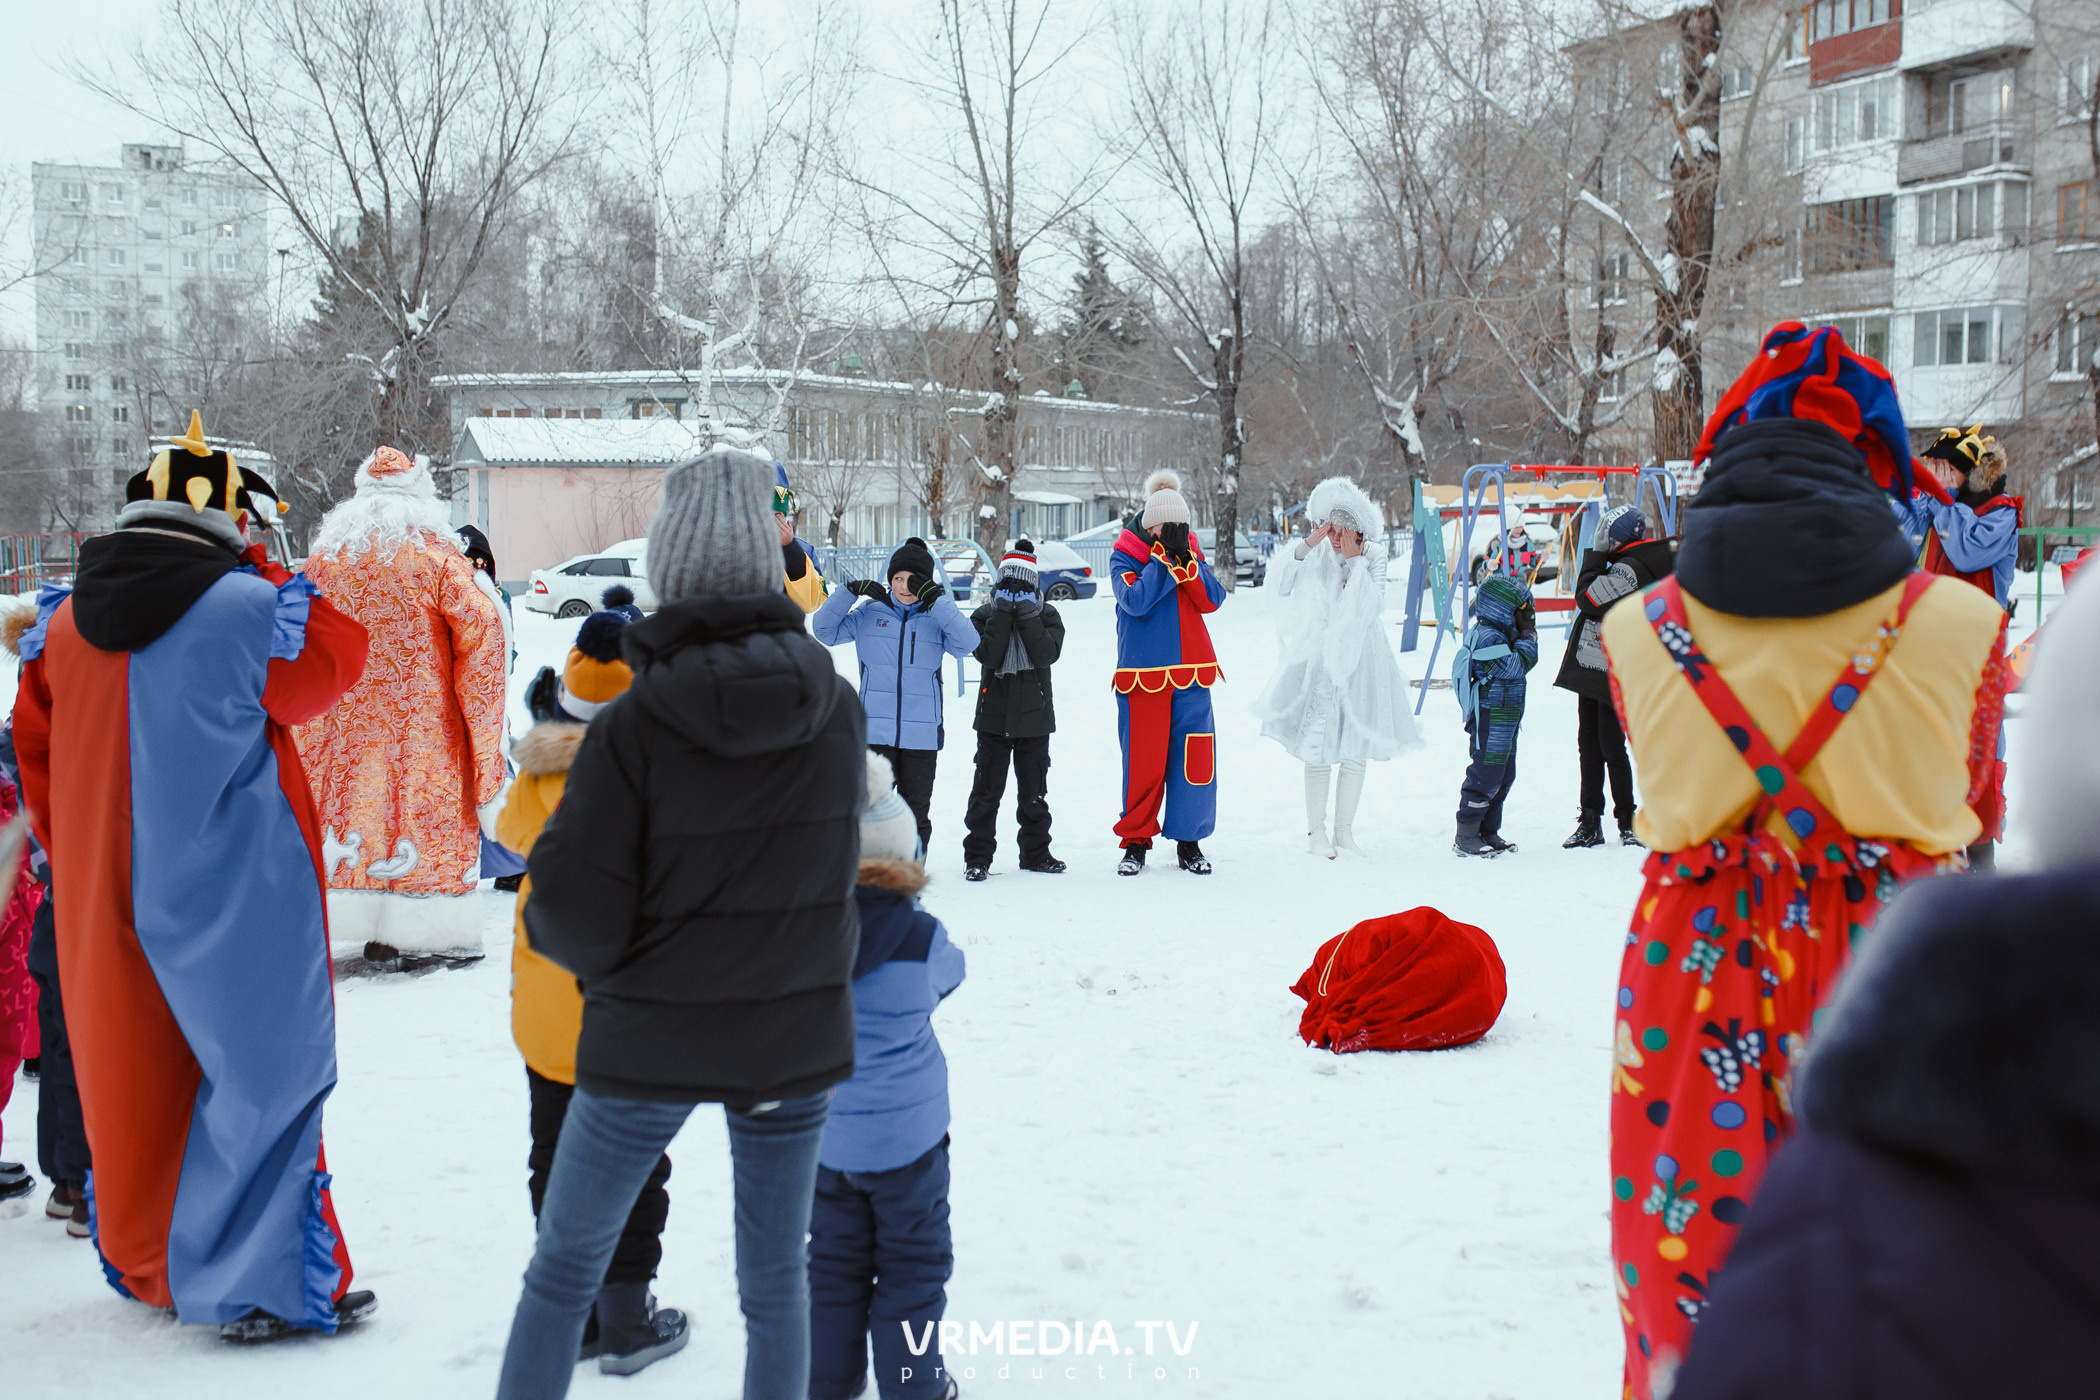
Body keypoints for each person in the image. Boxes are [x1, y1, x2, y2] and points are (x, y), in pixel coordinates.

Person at [1597, 323, 2009, 1400]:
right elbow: (1979, 804)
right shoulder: (1962, 619)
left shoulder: (1643, 625)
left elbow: (1660, 757)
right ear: (1876, 465)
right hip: (1904, 973)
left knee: (1695, 1300)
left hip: (1695, 982)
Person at [1670, 559, 2100, 1400]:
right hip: (1873, 908)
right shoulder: (1960, 619)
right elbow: (1978, 789)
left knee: (1710, 1209)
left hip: (1709, 941)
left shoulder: (1838, 1254)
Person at [495, 447, 865, 1400]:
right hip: (790, 1037)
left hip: (644, 1038)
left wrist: (622, 970)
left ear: (667, 571)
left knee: (562, 1274)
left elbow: (568, 908)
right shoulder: (834, 709)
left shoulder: (632, 724)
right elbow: (845, 878)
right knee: (777, 1285)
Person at [9, 414, 376, 1338]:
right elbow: (334, 664)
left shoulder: (60, 627)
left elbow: (37, 761)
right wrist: (272, 573)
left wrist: (80, 855)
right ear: (232, 525)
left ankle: (159, 1263)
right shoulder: (251, 609)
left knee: (131, 1077)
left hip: (102, 891)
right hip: (237, 885)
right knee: (265, 1075)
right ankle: (262, 1282)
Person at [496, 603, 688, 1376]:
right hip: (630, 1015)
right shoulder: (657, 773)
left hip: (546, 1015)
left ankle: (571, 1308)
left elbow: (509, 834)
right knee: (637, 1165)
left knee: (556, 1157)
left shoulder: (541, 778)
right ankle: (626, 1315)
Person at [296, 447, 509, 970]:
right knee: (420, 818)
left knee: (355, 818)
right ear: (419, 496)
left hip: (343, 728)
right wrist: (485, 744)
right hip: (425, 731)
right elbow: (483, 639)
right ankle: (428, 932)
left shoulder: (324, 562)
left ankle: (365, 922)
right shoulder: (438, 559)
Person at [809, 755, 967, 1400]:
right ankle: (912, 1386)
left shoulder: (797, 937)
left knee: (834, 1269)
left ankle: (828, 1385)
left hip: (827, 1140)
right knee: (913, 1270)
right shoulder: (922, 939)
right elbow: (949, 978)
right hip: (911, 1144)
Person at [1253, 476, 1420, 857]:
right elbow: (1280, 585)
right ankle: (1316, 832)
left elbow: (1371, 608)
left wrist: (1357, 562)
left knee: (1354, 748)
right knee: (1317, 741)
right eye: (1330, 525)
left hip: (1362, 660)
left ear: (1357, 528)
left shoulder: (1372, 555)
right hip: (1320, 657)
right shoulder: (1317, 551)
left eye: (1342, 527)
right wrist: (1308, 544)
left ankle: (1344, 831)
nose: (1335, 535)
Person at [1896, 426, 2021, 869]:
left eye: (1945, 468)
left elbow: (1969, 552)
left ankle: (1981, 877)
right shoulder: (1935, 506)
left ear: (1966, 473)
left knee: (1978, 772)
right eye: (1932, 467)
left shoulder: (1998, 513)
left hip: (1973, 664)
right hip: (1925, 658)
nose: (1936, 475)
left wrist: (1941, 501)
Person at [813, 536, 979, 850]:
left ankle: (909, 879)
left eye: (914, 581)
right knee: (870, 811)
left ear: (927, 583)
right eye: (898, 578)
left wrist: (939, 601)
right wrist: (847, 593)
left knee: (916, 814)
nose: (904, 587)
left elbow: (968, 644)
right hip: (875, 732)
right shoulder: (869, 613)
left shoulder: (936, 618)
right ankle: (871, 879)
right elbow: (824, 632)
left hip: (922, 736)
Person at [1110, 469, 1227, 876]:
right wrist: (1162, 560)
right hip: (1143, 677)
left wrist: (1186, 561)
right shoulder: (1124, 554)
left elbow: (1213, 599)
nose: (1178, 531)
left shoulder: (1189, 550)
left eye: (1183, 525)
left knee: (1194, 761)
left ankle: (1189, 841)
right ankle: (1136, 843)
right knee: (1143, 763)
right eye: (1170, 526)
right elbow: (1135, 600)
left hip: (1194, 675)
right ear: (1152, 524)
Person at [1553, 504, 1675, 849]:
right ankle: (1591, 819)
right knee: (1588, 744)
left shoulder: (1631, 568)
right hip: (1598, 666)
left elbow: (1589, 598)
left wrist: (1594, 556)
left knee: (1610, 744)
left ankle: (1627, 820)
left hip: (1613, 668)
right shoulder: (1630, 564)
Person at [962, 541, 1066, 880]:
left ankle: (1035, 854)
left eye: (1024, 585)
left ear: (1035, 586)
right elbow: (989, 655)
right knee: (985, 793)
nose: (1016, 591)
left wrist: (1025, 613)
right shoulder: (984, 615)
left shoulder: (1047, 615)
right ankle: (977, 857)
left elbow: (1045, 655)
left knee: (1034, 795)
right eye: (1008, 583)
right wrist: (1004, 611)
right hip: (993, 718)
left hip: (1034, 720)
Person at [1452, 573, 1538, 857]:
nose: (1523, 618)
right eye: (1518, 612)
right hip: (1490, 719)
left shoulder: (1503, 633)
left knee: (1504, 775)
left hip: (1508, 718)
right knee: (1485, 775)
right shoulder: (1486, 637)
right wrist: (1527, 635)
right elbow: (1518, 664)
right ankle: (1466, 834)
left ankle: (1488, 830)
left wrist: (1523, 631)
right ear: (1501, 610)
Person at [776, 461, 830, 612]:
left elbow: (812, 602)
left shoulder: (803, 550)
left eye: (777, 515)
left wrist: (790, 549)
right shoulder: (731, 547)